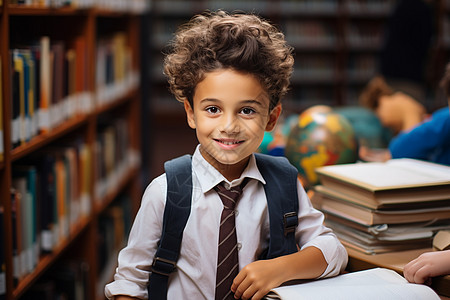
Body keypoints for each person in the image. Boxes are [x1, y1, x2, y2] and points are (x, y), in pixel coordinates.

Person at [105, 10, 347, 300]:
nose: (229, 127)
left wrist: (282, 268)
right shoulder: (164, 192)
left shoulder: (284, 183)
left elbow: (334, 250)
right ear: (190, 113)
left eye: (247, 110)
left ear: (271, 119)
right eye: (212, 109)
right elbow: (130, 282)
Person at [359, 65, 450, 165]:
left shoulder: (444, 119)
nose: (383, 122)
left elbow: (399, 151)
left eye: (379, 116)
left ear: (383, 101)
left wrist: (409, 111)